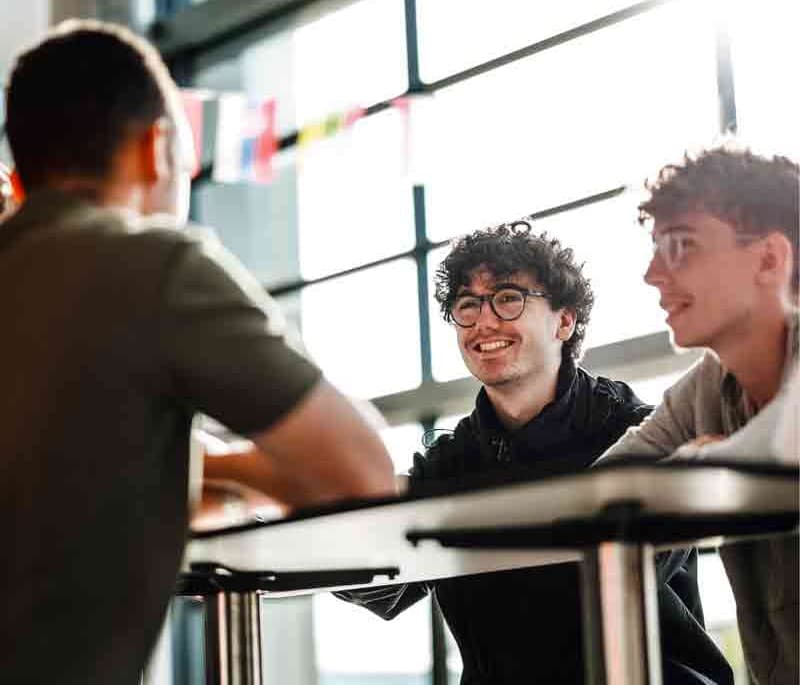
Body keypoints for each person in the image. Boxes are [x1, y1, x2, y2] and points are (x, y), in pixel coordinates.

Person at [0, 19, 395, 684]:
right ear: (155, 149)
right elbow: (363, 472)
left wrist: (217, 469)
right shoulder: (151, 265)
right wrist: (253, 468)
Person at [337, 222, 732, 684]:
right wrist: (343, 510)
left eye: (508, 298)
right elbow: (383, 589)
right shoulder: (449, 463)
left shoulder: (637, 430)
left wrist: (454, 526)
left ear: (565, 321)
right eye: (467, 305)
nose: (484, 321)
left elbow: (604, 581)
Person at [600, 144, 799, 685]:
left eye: (681, 246)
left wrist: (698, 466)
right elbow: (600, 492)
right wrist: (697, 463)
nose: (652, 274)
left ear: (769, 259)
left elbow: (778, 448)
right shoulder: (705, 388)